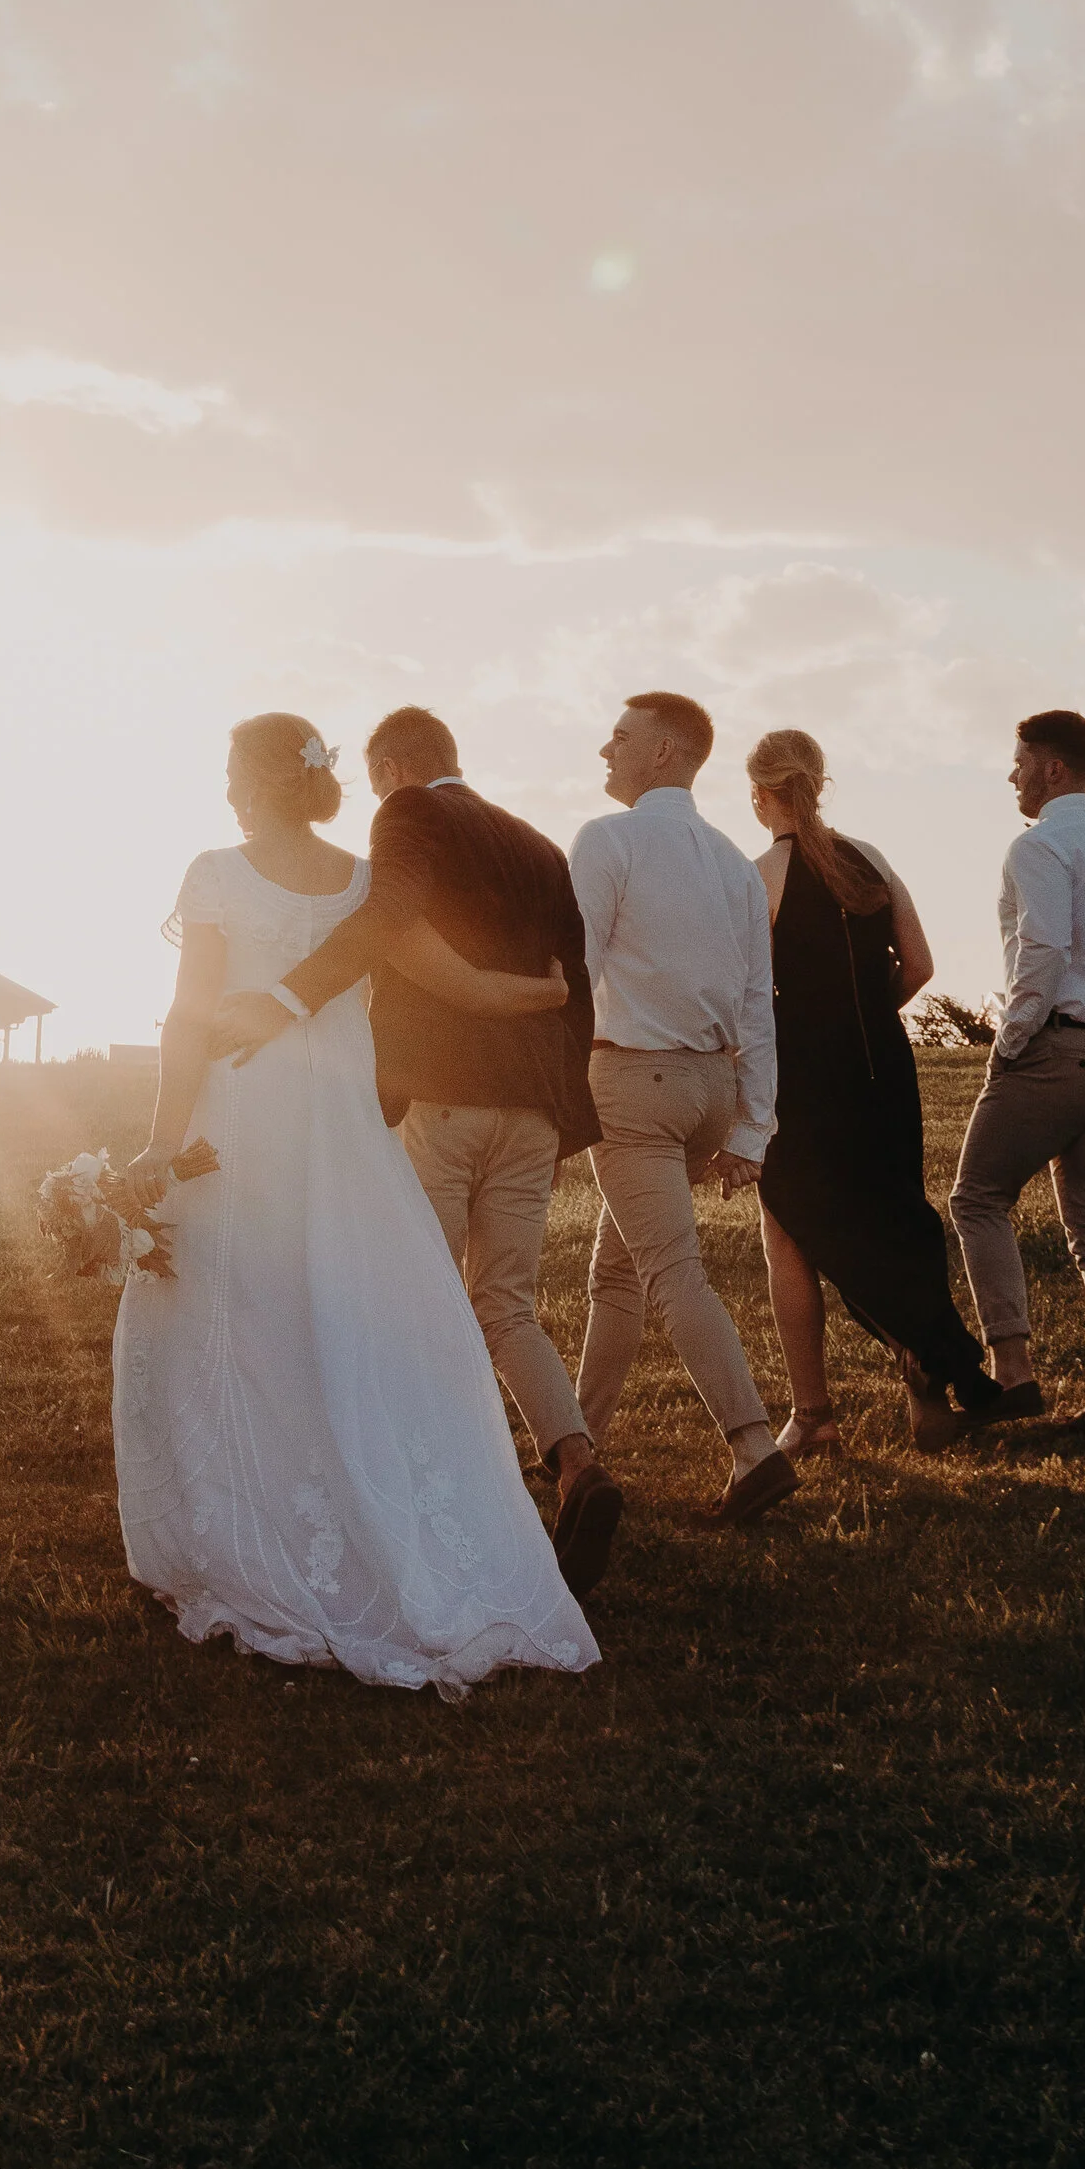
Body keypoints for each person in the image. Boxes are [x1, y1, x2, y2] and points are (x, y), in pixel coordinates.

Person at [114, 712, 599, 1690]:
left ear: (258, 781)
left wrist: (162, 1145)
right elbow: (459, 984)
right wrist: (544, 997)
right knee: (330, 1314)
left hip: (237, 1118)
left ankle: (242, 1538)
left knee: (223, 1310)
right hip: (340, 1132)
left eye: (230, 771)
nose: (224, 790)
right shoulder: (361, 882)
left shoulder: (217, 872)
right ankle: (364, 1524)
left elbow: (187, 1016)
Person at [207, 702, 623, 1601]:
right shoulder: (537, 845)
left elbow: (388, 915)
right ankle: (578, 1464)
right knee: (505, 1302)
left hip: (441, 1096)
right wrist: (562, 1112)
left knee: (414, 1300)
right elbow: (573, 986)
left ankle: (424, 1493)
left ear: (392, 770)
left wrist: (287, 997)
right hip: (533, 1108)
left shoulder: (410, 813)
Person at [743, 728, 1020, 1455]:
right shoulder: (872, 859)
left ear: (760, 795)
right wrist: (864, 1015)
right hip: (886, 1070)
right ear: (818, 783)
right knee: (895, 1219)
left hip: (803, 1077)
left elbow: (745, 997)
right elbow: (919, 965)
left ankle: (813, 1416)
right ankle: (927, 1395)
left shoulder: (759, 877)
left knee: (790, 1227)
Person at [567, 692, 793, 1525]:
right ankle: (577, 1443)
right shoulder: (736, 865)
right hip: (710, 1092)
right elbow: (758, 1005)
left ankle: (753, 1446)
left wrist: (550, 1095)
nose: (606, 749)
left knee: (670, 1272)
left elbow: (577, 974)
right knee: (617, 1271)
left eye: (620, 736)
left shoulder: (608, 840)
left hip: (636, 1090)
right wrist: (751, 1127)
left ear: (664, 751)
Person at [945, 708, 1085, 1450]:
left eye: (1020, 761)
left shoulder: (1038, 847)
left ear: (1053, 769)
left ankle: (1012, 1375)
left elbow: (1043, 949)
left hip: (1060, 1049)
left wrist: (1010, 1041)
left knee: (977, 1198)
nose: (1012, 775)